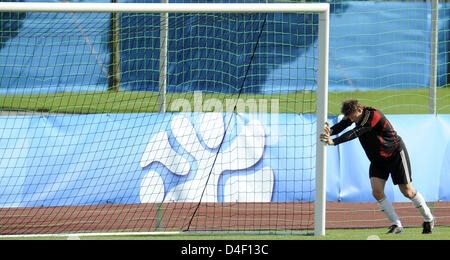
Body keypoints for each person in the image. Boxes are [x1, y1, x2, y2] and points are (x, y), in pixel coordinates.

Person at [320, 99, 435, 234]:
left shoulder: (373, 116)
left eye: (353, 117)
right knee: (377, 191)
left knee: (407, 191)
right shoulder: (355, 116)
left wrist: (334, 141)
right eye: (350, 117)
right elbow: (342, 125)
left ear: (359, 110)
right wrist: (330, 131)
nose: (352, 120)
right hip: (377, 160)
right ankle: (396, 225)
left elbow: (356, 132)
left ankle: (429, 218)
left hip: (395, 154)